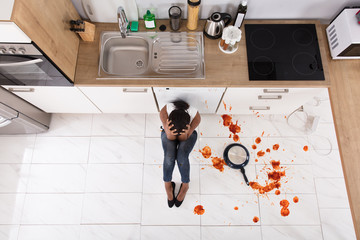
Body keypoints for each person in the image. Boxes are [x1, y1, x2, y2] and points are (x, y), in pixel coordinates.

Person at [160, 100, 201, 208]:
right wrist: (168, 130)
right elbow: (170, 137)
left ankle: (185, 185)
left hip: (188, 134)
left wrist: (186, 132)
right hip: (169, 131)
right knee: (169, 156)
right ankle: (167, 185)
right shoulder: (165, 111)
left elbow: (183, 139)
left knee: (181, 156)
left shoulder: (195, 116)